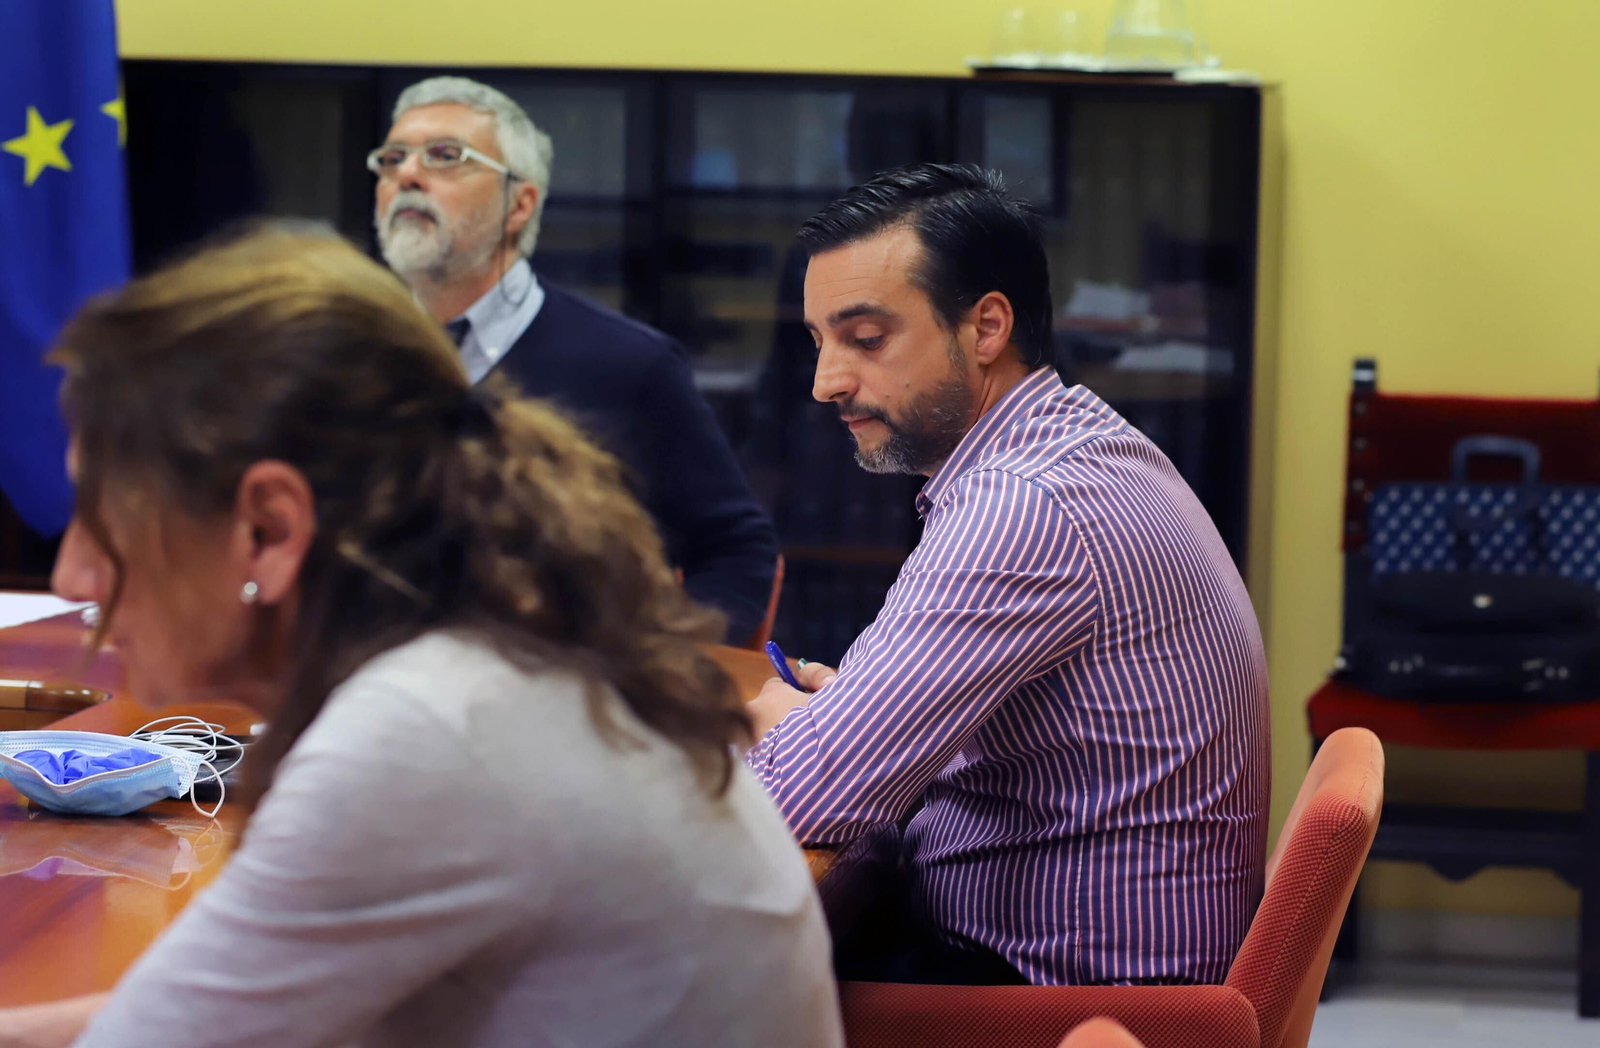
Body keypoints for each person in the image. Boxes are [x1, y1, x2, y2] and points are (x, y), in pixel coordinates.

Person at [0, 225, 842, 1048]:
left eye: (104, 512)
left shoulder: (419, 735)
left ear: (270, 529)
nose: (72, 576)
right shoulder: (490, 657)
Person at [744, 164, 1271, 987]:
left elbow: (799, 801)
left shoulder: (1023, 506)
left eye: (866, 339)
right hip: (1078, 954)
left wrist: (775, 726)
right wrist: (846, 718)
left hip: (1065, 998)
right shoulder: (1078, 441)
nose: (825, 383)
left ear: (987, 327)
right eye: (819, 342)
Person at [371, 76, 778, 644]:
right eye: (392, 158)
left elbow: (735, 548)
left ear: (520, 204)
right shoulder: (353, 359)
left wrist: (670, 668)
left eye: (445, 156)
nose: (407, 175)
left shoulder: (630, 366)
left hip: (559, 679)